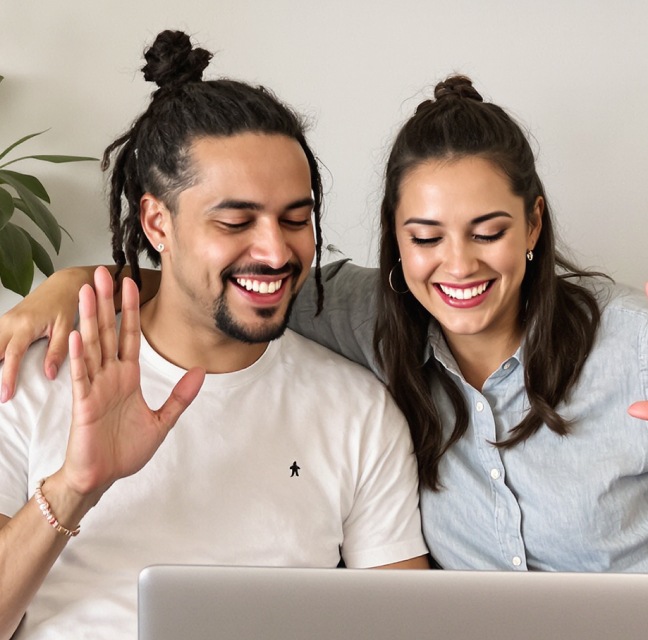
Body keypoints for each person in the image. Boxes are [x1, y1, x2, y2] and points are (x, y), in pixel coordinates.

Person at [1, 73, 647, 572]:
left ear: (532, 223)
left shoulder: (631, 343)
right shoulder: (363, 313)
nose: (458, 265)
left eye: (489, 232)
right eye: (425, 237)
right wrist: (74, 286)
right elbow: (213, 288)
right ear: (394, 239)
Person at [0, 30, 429, 640]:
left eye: (296, 218)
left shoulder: (356, 409)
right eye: (235, 221)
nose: (275, 250)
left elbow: (404, 627)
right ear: (157, 223)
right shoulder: (35, 373)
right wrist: (75, 487)